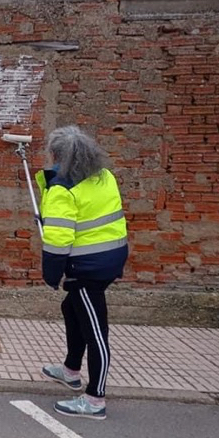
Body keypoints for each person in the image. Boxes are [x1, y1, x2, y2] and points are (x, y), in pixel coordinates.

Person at [36, 126, 128, 420]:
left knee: (95, 331)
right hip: (109, 258)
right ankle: (70, 370)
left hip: (88, 267)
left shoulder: (63, 189)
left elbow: (57, 240)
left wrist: (52, 275)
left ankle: (95, 399)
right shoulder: (103, 176)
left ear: (58, 156)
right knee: (71, 307)